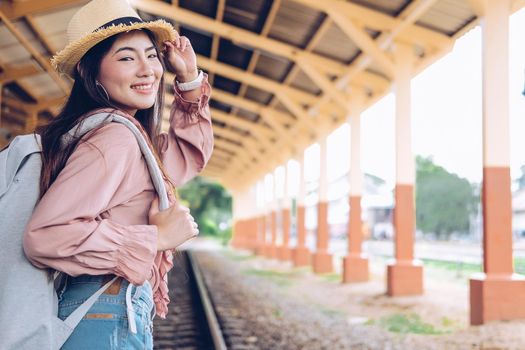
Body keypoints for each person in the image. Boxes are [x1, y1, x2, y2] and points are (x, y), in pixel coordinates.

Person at [22, 0, 213, 348]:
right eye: (127, 58)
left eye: (151, 56)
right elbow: (46, 235)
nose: (147, 70)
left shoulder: (125, 135)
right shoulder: (114, 137)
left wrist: (188, 78)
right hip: (103, 312)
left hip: (107, 309)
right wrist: (154, 239)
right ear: (89, 71)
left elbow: (184, 157)